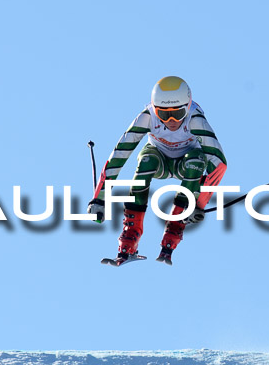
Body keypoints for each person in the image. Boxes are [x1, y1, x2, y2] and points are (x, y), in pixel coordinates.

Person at [88, 76, 227, 265]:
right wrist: (100, 199)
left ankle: (175, 228)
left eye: (178, 114)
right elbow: (120, 154)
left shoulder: (195, 119)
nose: (171, 121)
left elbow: (218, 163)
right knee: (147, 160)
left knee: (196, 159)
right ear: (155, 109)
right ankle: (129, 237)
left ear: (187, 107)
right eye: (163, 114)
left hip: (184, 165)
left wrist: (198, 203)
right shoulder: (147, 116)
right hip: (158, 161)